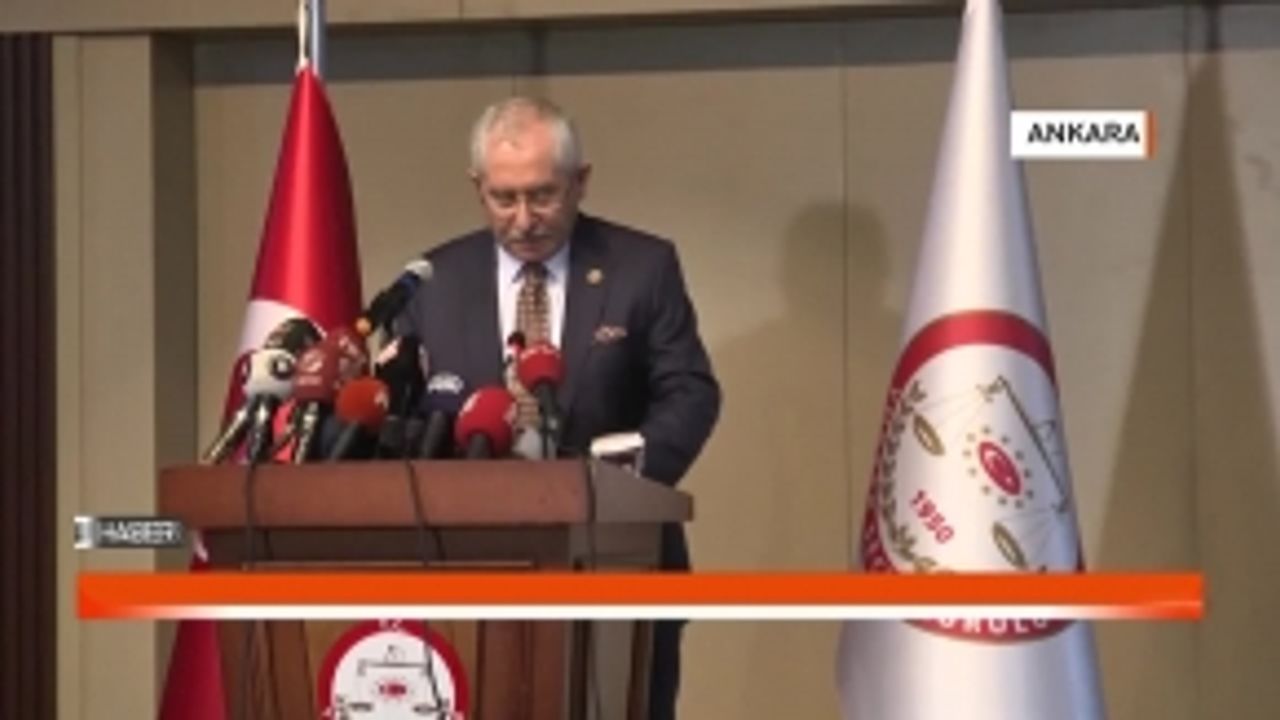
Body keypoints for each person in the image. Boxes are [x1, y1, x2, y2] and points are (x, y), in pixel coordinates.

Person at [394, 96, 721, 719]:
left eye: (542, 196)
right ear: (476, 187)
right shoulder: (435, 281)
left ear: (581, 181)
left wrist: (622, 485)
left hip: (621, 563)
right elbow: (405, 414)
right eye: (503, 198)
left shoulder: (642, 267)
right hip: (470, 572)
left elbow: (690, 392)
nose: (523, 220)